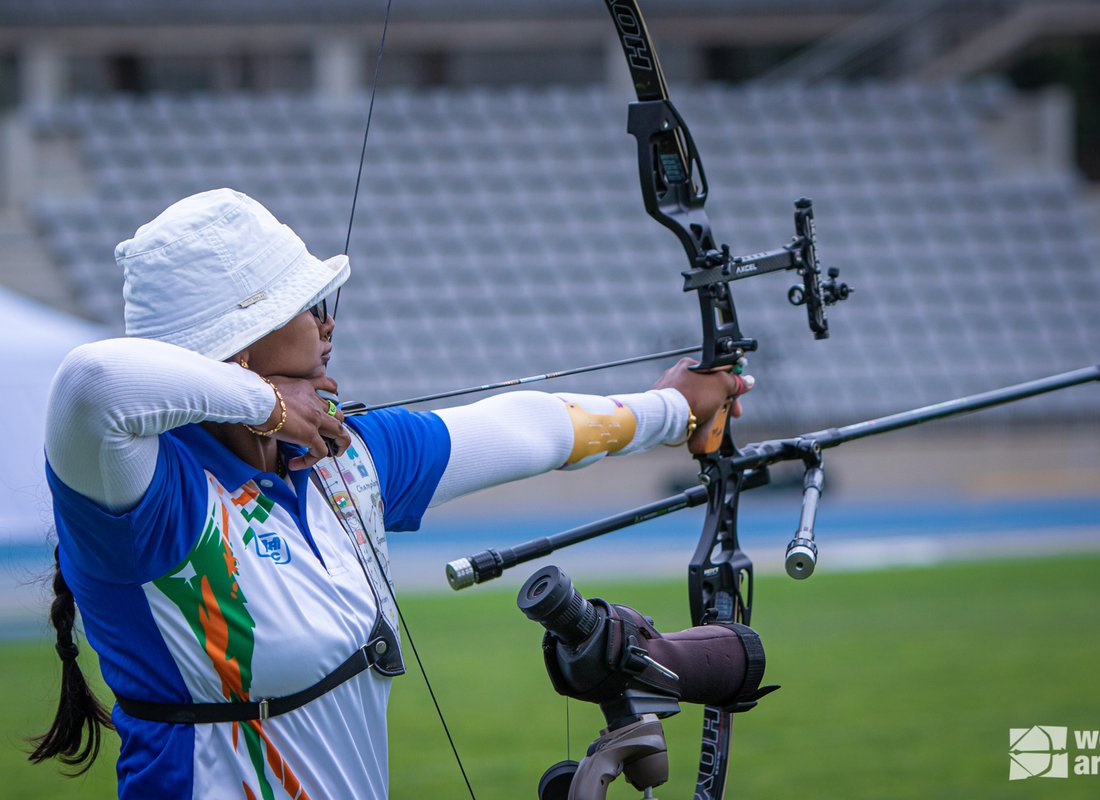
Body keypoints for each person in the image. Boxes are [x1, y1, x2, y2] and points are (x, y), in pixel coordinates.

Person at [30, 188, 749, 798]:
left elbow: (526, 428)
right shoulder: (152, 498)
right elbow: (94, 385)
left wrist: (675, 409)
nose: (327, 323)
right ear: (240, 344)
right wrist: (266, 404)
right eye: (307, 306)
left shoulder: (342, 460)